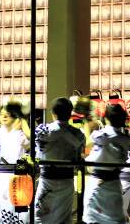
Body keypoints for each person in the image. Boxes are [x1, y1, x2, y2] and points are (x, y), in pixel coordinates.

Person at [34, 96, 87, 224]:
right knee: (63, 218)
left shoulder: (43, 130)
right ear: (70, 114)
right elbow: (79, 155)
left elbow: (35, 145)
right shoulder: (78, 134)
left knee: (39, 216)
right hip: (67, 180)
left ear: (53, 113)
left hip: (47, 180)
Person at [83, 103, 130, 224]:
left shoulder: (101, 134)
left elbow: (87, 143)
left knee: (93, 218)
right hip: (115, 182)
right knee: (114, 217)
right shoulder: (125, 139)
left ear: (106, 118)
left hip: (98, 182)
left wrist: (87, 124)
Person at [0, 102, 30, 224]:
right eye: (1, 114)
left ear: (14, 117)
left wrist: (23, 121)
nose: (4, 116)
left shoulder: (21, 134)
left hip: (18, 175)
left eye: (7, 114)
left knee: (19, 211)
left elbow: (29, 143)